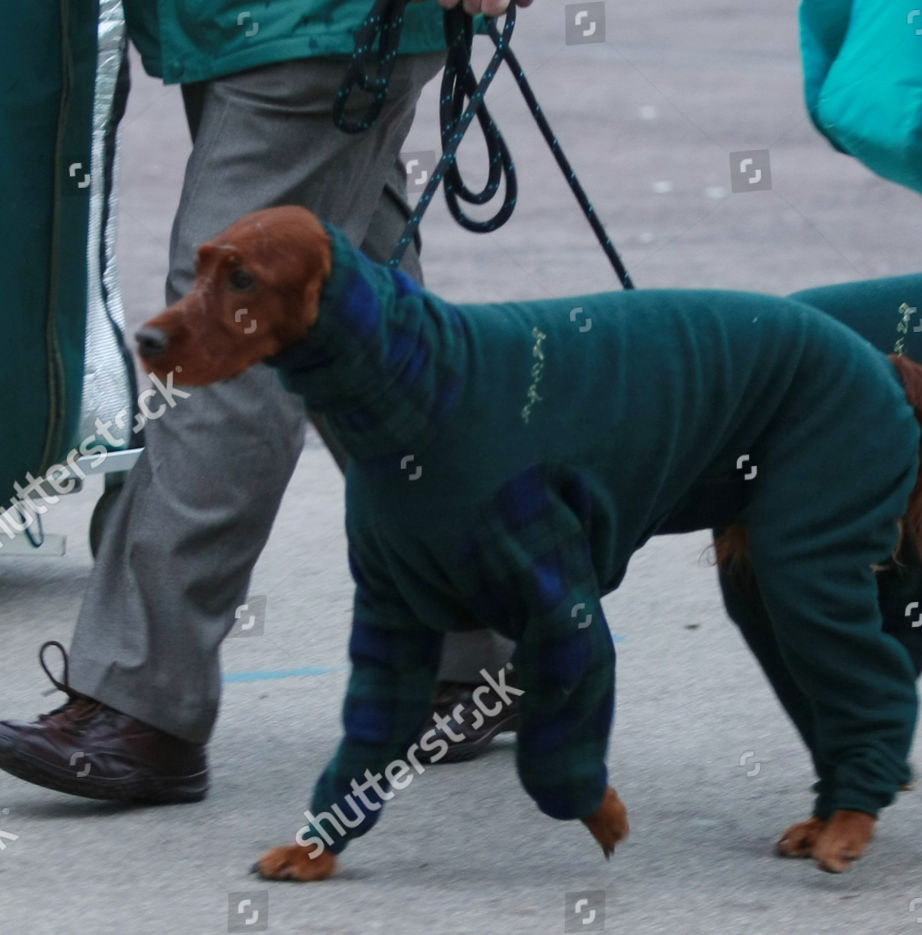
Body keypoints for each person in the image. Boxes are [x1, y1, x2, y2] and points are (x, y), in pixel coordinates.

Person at [0, 0, 532, 805]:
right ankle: (493, 633)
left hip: (314, 20)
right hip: (250, 22)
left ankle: (142, 699)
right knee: (373, 344)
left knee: (224, 329)